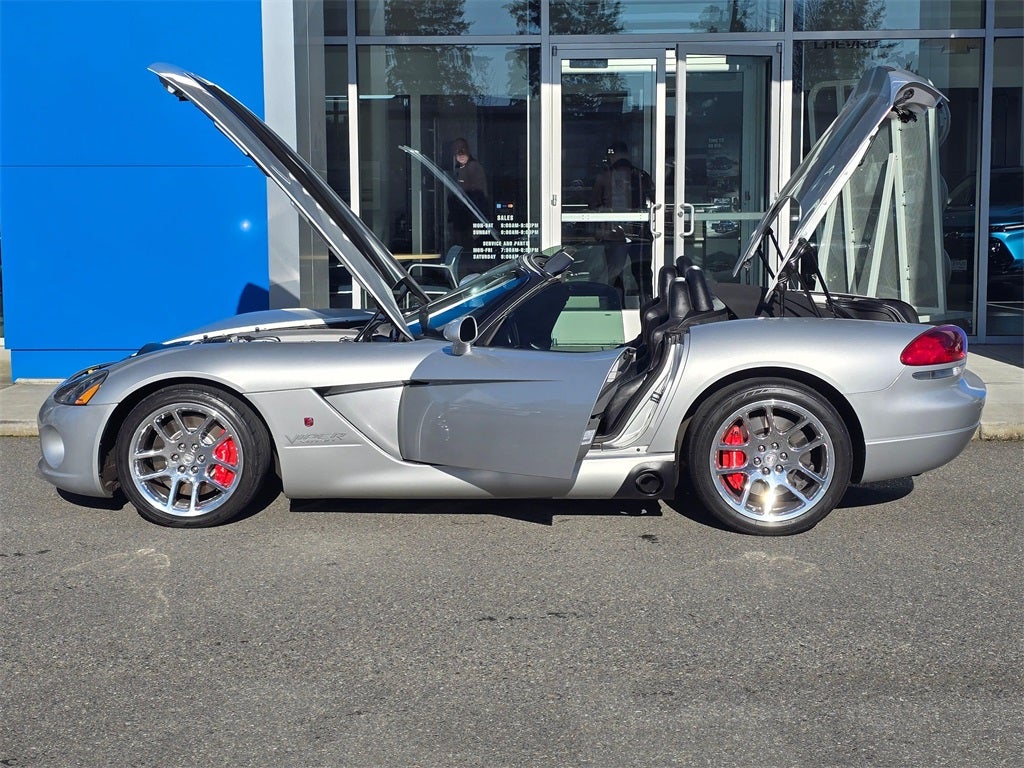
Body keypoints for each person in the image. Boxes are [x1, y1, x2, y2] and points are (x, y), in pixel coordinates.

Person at [589, 141, 655, 305]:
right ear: (628, 154)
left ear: (612, 156)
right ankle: (648, 313)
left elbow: (593, 205)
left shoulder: (604, 177)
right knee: (643, 275)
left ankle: (615, 312)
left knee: (614, 275)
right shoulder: (642, 175)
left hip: (614, 233)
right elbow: (655, 200)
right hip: (640, 233)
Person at [448, 138, 489, 266]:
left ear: (468, 150)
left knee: (468, 254)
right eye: (456, 150)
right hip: (459, 218)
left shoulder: (474, 167)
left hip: (470, 220)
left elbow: (479, 196)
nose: (459, 153)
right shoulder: (459, 167)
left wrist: (476, 225)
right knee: (460, 252)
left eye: (462, 149)